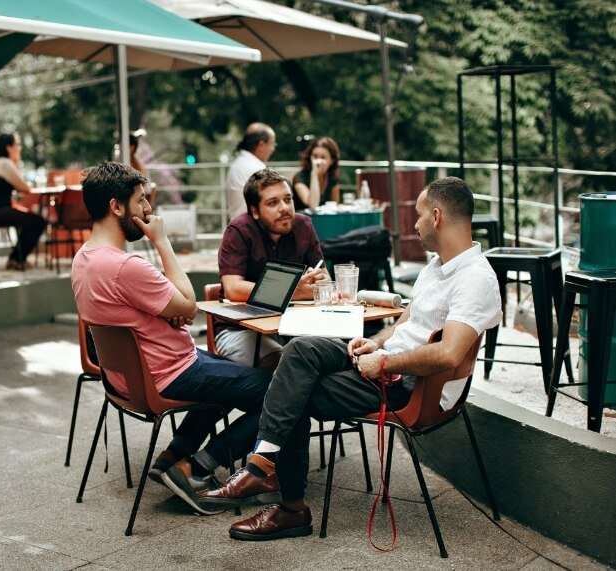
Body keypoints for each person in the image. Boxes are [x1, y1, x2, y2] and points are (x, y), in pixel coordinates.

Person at [199, 177, 502, 541]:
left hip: (410, 386)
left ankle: (289, 507)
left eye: (420, 215)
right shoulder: (435, 268)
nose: (415, 224)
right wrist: (374, 343)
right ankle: (263, 464)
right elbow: (405, 324)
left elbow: (449, 353)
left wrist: (385, 363)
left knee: (295, 389)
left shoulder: (475, 278)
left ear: (436, 217)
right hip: (387, 364)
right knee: (301, 349)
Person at [72, 161, 271, 515]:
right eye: (140, 200)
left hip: (128, 380)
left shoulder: (83, 259)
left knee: (229, 373)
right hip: (169, 373)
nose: (148, 209)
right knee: (276, 393)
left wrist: (173, 308)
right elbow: (188, 305)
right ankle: (195, 469)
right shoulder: (125, 266)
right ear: (116, 207)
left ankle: (173, 455)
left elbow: (173, 307)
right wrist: (162, 241)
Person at [216, 168, 328, 370]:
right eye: (273, 203)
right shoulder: (238, 231)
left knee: (335, 357)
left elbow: (324, 282)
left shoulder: (304, 225)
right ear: (254, 211)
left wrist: (314, 285)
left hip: (294, 326)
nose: (284, 208)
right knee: (286, 368)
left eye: (288, 199)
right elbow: (233, 288)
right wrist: (292, 291)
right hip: (241, 329)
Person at [0, 133, 44, 271]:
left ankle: (17, 258)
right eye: (17, 144)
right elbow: (24, 188)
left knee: (29, 219)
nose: (20, 147)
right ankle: (16, 259)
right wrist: (17, 163)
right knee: (38, 222)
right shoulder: (4, 163)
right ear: (8, 147)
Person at [226, 123, 276, 218]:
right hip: (250, 225)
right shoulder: (255, 169)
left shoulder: (241, 163)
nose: (273, 149)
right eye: (272, 144)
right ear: (261, 145)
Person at [291, 136, 341, 211]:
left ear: (331, 161)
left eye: (323, 157)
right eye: (315, 156)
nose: (318, 161)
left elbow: (334, 206)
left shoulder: (332, 177)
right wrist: (314, 174)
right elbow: (313, 205)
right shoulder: (300, 177)